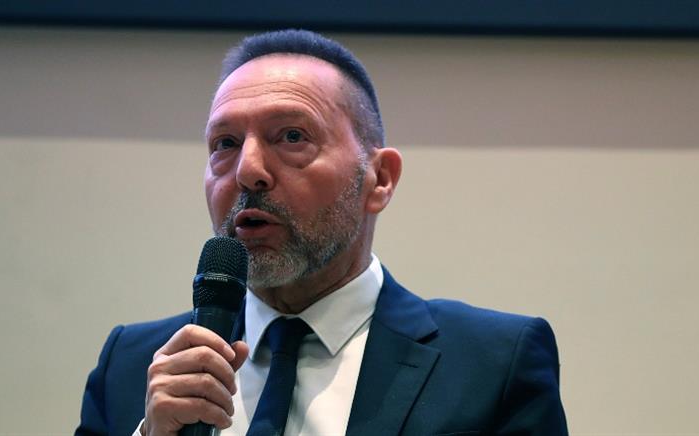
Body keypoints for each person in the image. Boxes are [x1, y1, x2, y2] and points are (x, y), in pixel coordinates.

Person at [76, 29, 568, 436]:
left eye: (292, 136)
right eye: (225, 143)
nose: (248, 171)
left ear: (379, 179)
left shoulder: (493, 363)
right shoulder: (131, 368)